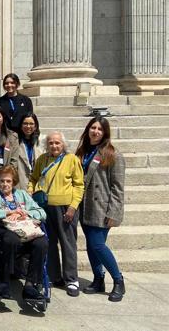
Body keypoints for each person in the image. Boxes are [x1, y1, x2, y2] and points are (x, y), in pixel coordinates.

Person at [75, 117, 126, 302]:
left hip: (102, 209)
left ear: (105, 133)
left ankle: (118, 280)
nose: (95, 131)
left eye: (99, 129)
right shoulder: (82, 151)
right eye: (92, 128)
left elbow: (118, 187)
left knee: (98, 245)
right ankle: (98, 279)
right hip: (84, 207)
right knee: (91, 246)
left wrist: (114, 212)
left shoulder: (113, 154)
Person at [0, 166, 48, 300]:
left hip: (24, 229)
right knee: (11, 240)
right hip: (2, 228)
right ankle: (3, 282)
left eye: (8, 181)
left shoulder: (21, 194)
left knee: (42, 242)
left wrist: (25, 213)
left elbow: (42, 213)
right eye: (2, 181)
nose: (5, 184)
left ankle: (30, 285)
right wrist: (7, 212)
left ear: (13, 182)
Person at [29, 131, 84, 297]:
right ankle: (55, 275)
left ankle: (71, 279)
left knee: (68, 243)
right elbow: (33, 178)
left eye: (57, 143)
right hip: (46, 207)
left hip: (66, 208)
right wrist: (31, 193)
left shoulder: (72, 159)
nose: (54, 146)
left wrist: (73, 207)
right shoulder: (42, 159)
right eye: (51, 143)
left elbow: (79, 185)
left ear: (63, 145)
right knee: (50, 243)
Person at [17, 113, 43, 190]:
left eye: (31, 124)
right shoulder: (15, 141)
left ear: (35, 126)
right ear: (21, 125)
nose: (28, 126)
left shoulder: (42, 141)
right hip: (21, 181)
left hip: (38, 181)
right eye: (25, 123)